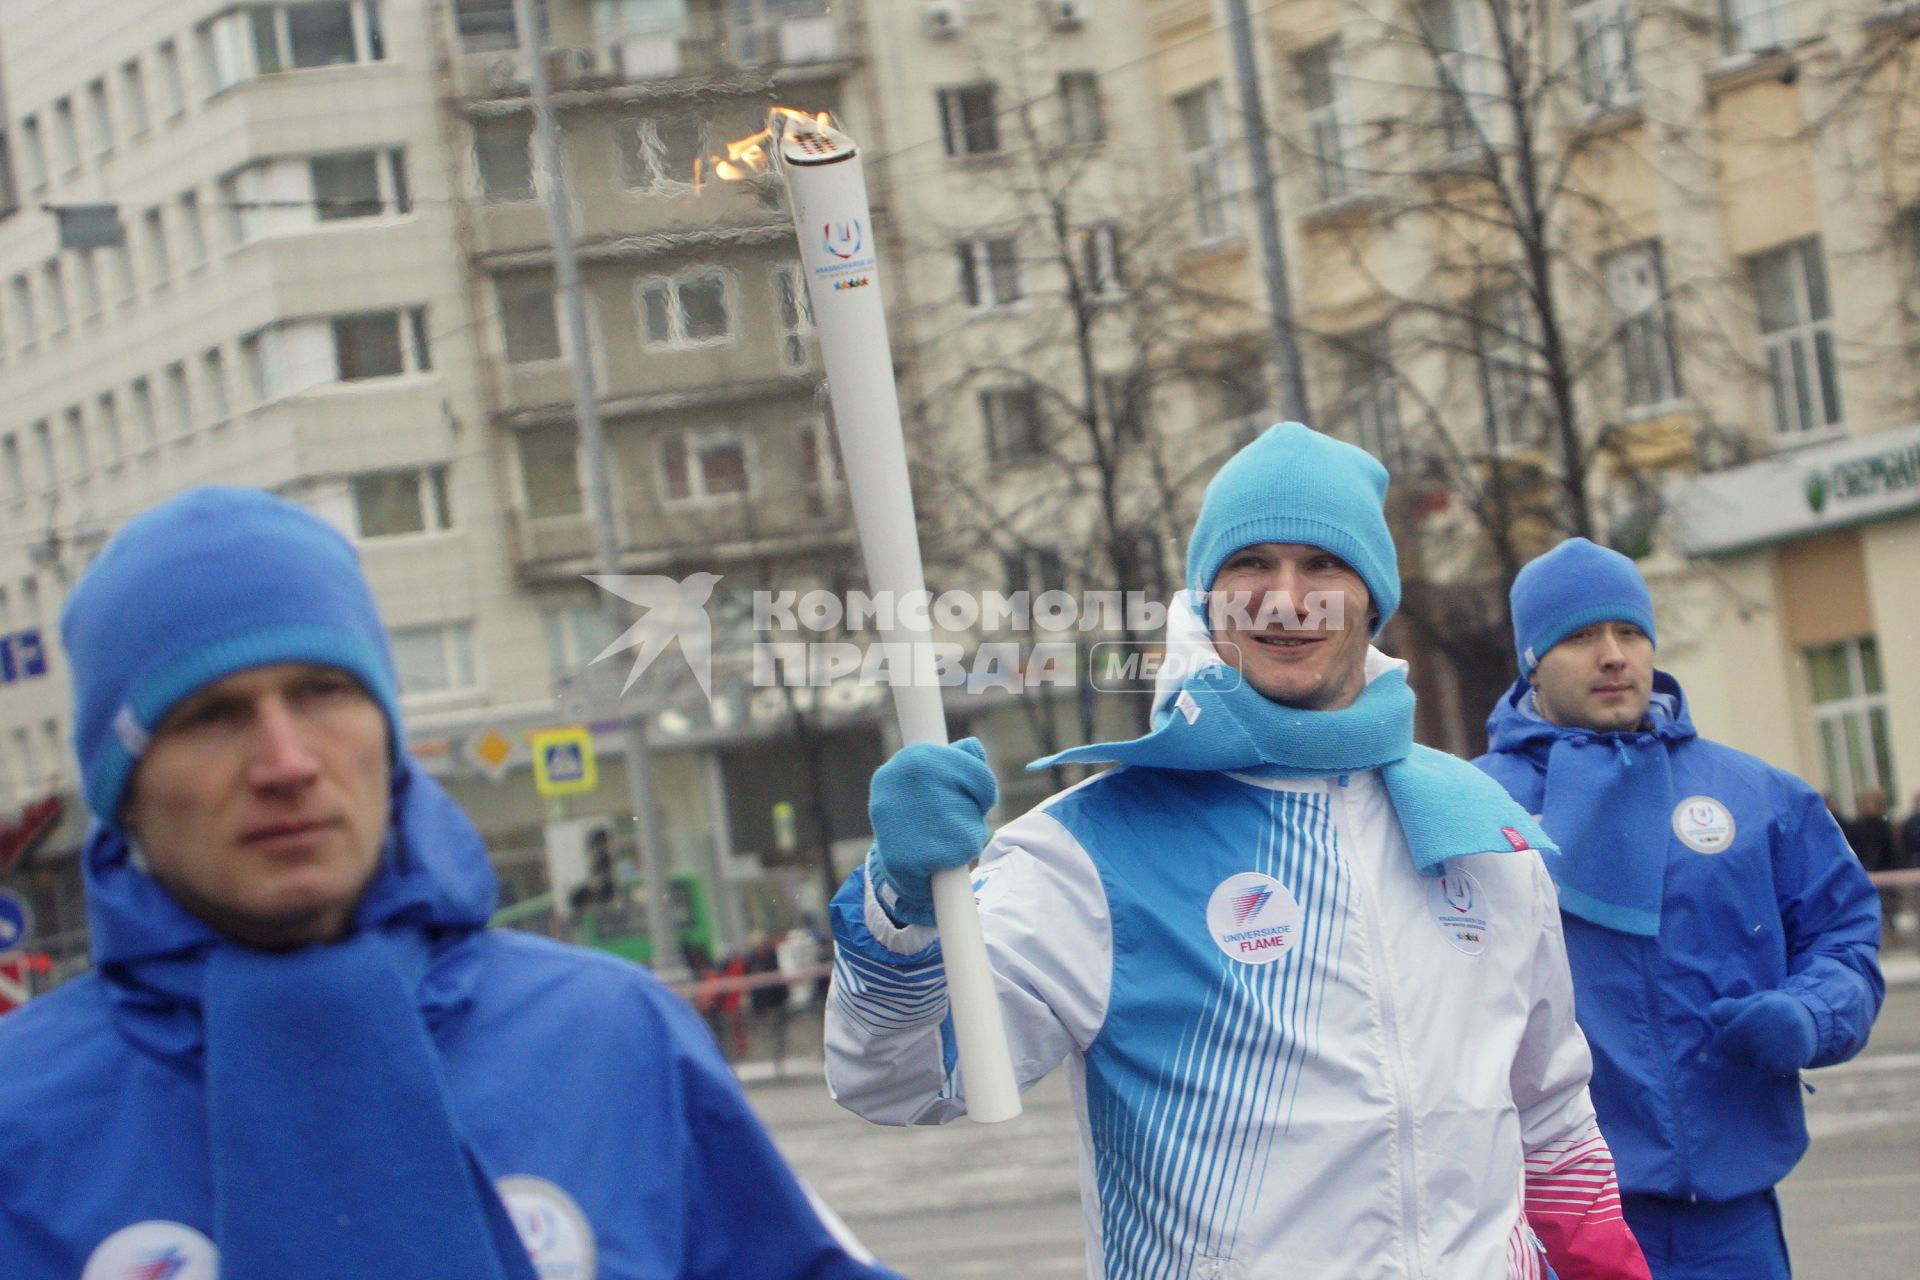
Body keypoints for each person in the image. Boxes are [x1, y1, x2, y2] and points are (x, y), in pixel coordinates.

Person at [0, 487, 895, 1280]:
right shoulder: (24, 1117)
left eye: (322, 690)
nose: (285, 762)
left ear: (388, 735)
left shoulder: (609, 1037)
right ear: (124, 788)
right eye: (210, 715)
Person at [825, 424, 1650, 1278]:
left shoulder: (1479, 828)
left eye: (1323, 566)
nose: (1287, 600)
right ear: (1208, 596)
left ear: (1371, 599)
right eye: (1251, 564)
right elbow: (898, 1080)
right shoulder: (1093, 848)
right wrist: (904, 904)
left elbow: (1552, 1116)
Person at [1473, 537, 1884, 1280]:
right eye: (1580, 636)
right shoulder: (1472, 810)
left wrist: (1811, 1012)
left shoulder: (1760, 797)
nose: (1613, 655)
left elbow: (1845, 942)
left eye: (1629, 632)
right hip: (1560, 1221)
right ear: (1532, 659)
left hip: (1735, 1222)